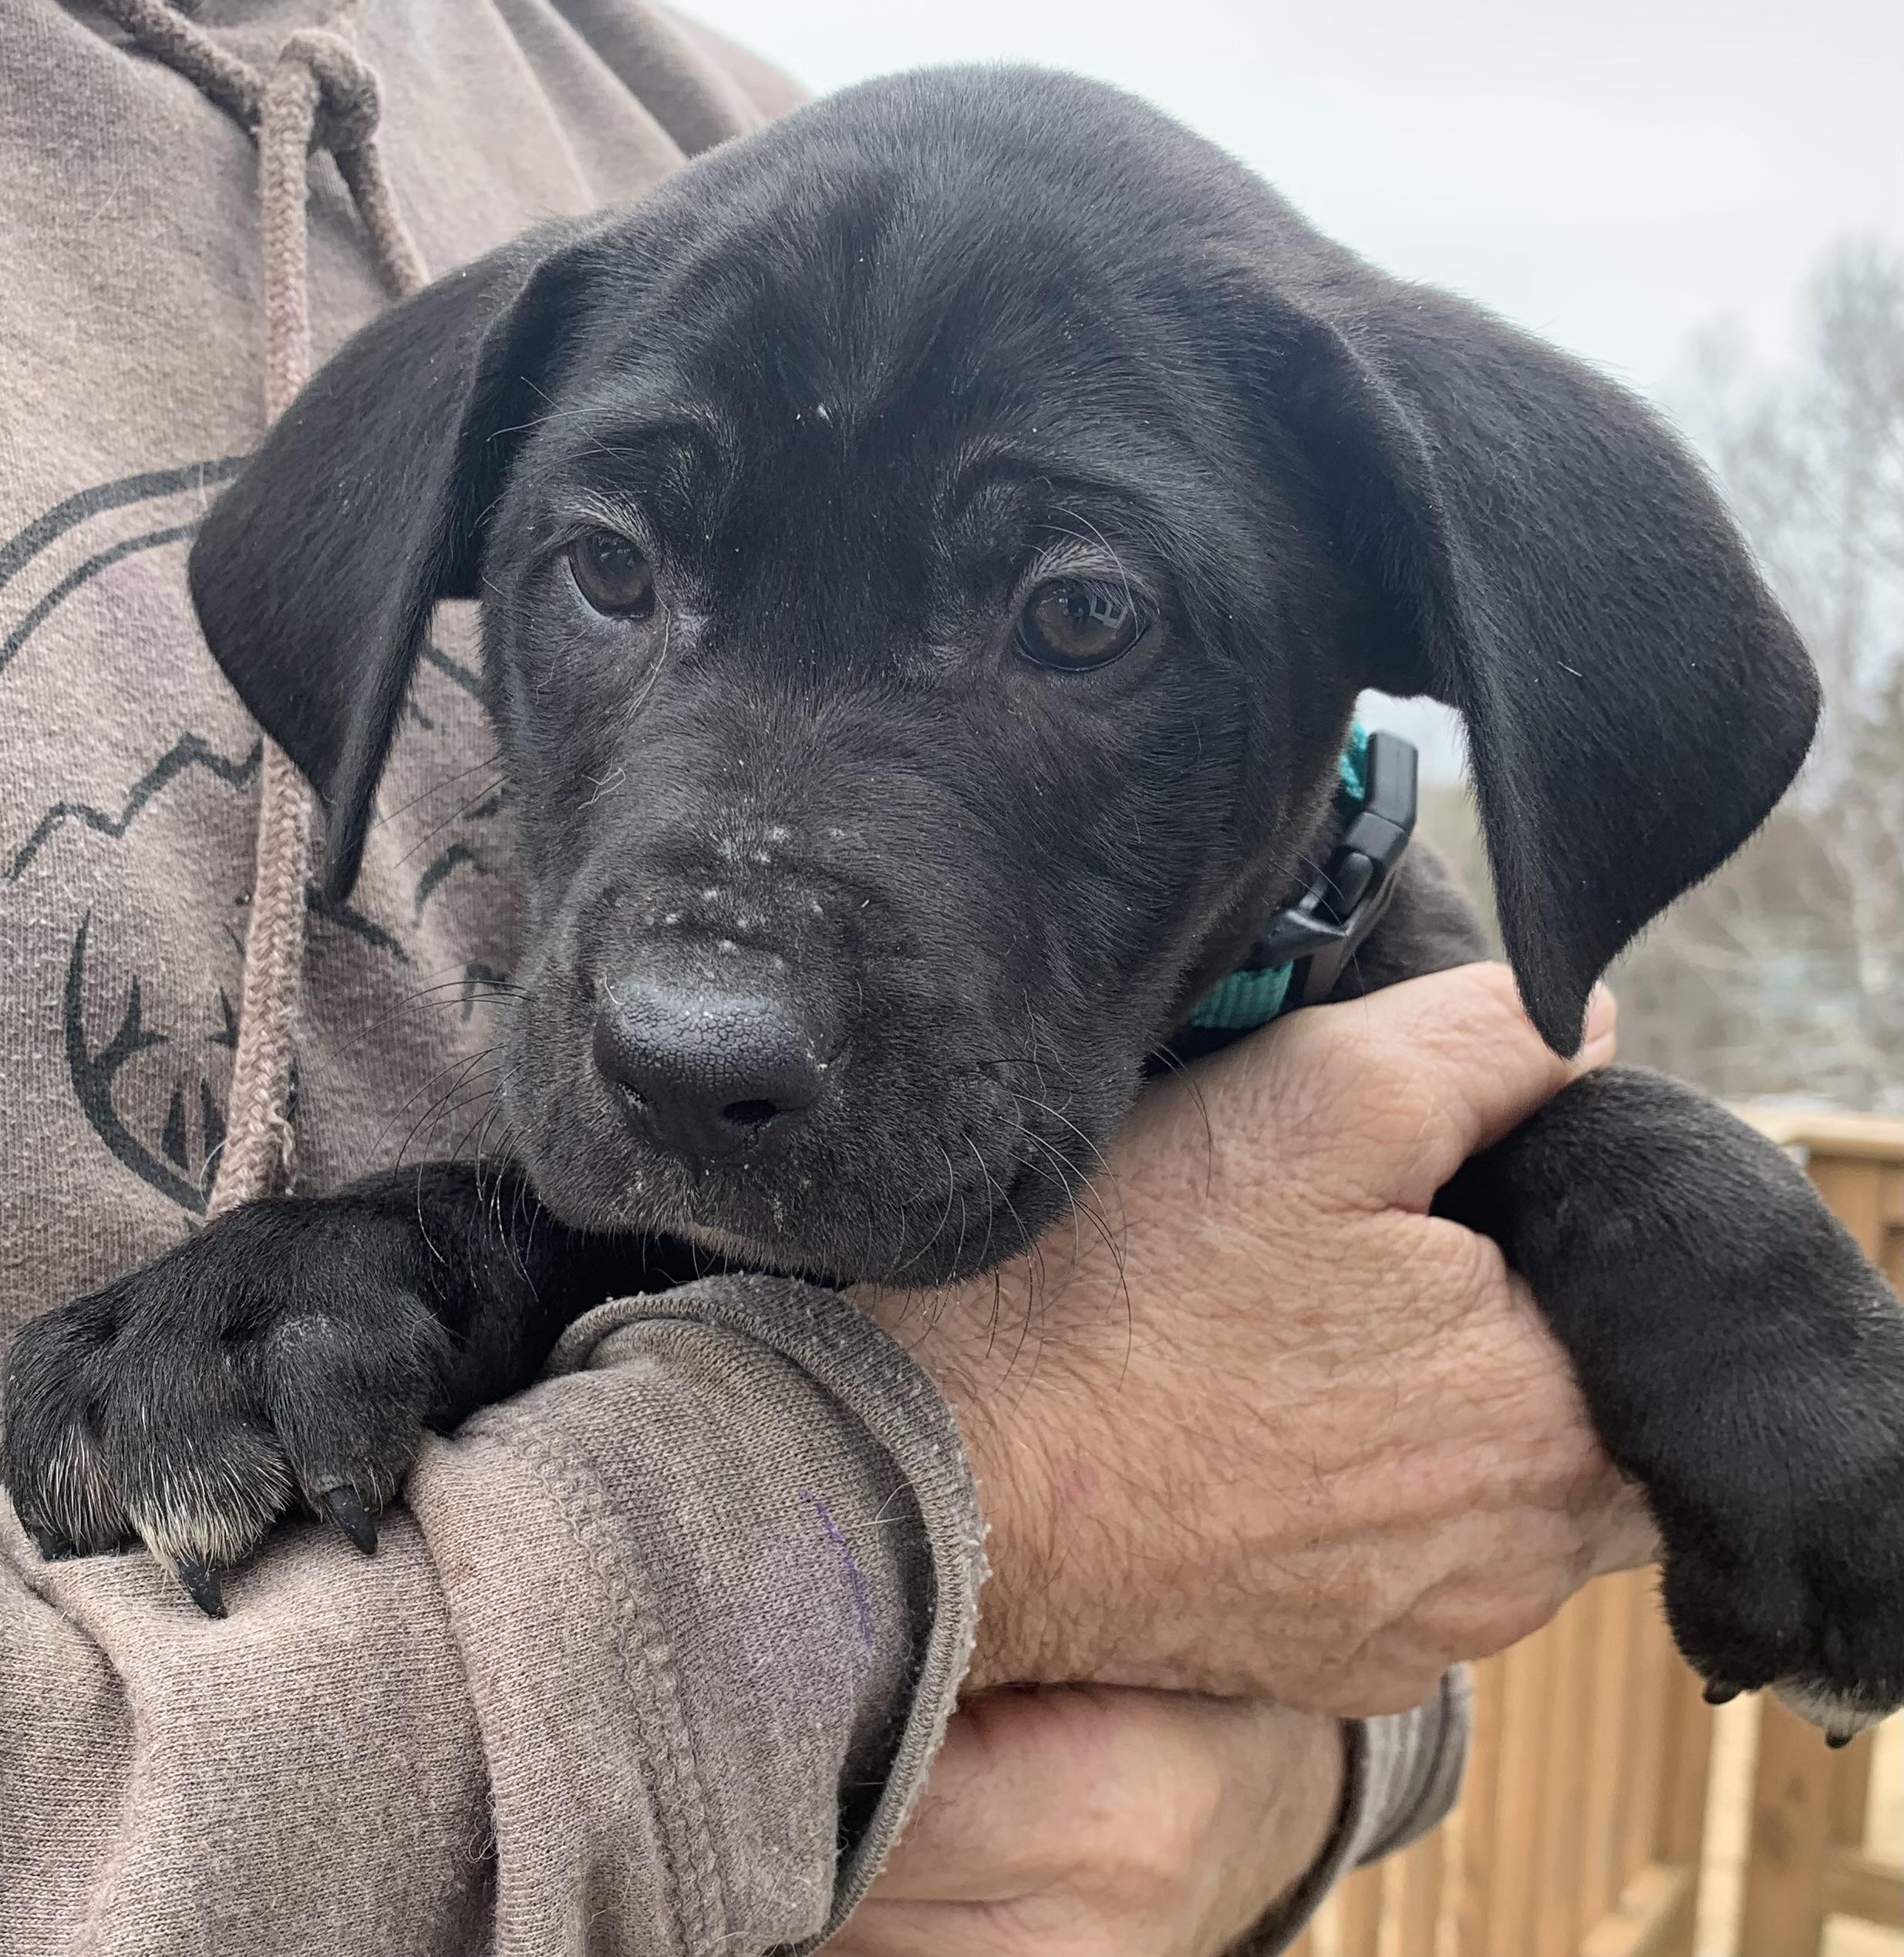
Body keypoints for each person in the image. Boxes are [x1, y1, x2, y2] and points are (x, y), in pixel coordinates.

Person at [0, 2, 1648, 1949]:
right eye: (612, 575)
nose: (702, 1013)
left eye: (1077, 613)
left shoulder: (696, 121)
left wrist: (1278, 1788)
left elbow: (1335, 1534)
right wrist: (979, 1499)